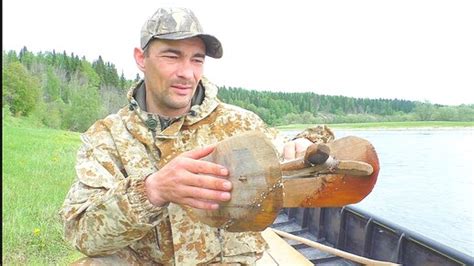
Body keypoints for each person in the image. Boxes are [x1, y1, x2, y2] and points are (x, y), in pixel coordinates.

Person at [60, 7, 335, 265]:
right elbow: (82, 233)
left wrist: (307, 144)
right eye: (172, 56)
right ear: (141, 58)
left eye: (197, 59)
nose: (187, 73)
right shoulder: (107, 137)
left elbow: (293, 156)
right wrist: (153, 191)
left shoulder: (239, 124)